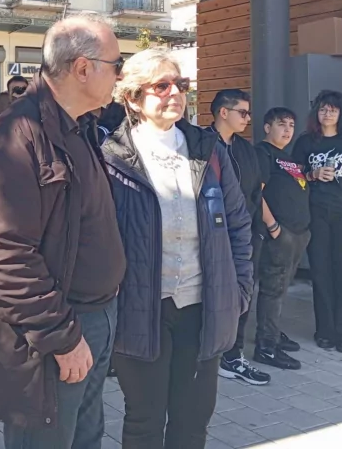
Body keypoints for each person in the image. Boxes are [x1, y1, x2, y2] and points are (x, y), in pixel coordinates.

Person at [0, 14, 126, 449]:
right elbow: (3, 258)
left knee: (85, 436)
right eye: (116, 64)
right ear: (83, 68)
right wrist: (62, 336)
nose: (120, 75)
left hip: (93, 316)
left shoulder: (76, 124)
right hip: (55, 329)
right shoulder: (18, 136)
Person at [103, 49, 253, 449]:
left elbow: (238, 224)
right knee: (145, 420)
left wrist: (239, 292)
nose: (175, 93)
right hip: (141, 309)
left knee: (193, 421)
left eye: (181, 85)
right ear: (133, 98)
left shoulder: (208, 149)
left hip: (203, 306)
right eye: (161, 85)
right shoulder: (112, 158)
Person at [292, 90, 342, 354]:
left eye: (333, 109)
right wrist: (312, 174)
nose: (327, 114)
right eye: (323, 109)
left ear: (341, 113)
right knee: (321, 271)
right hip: (316, 212)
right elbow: (293, 177)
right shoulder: (306, 142)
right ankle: (325, 331)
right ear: (316, 112)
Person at [208, 89, 271, 386]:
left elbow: (256, 190)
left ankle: (233, 357)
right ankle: (209, 354)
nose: (247, 118)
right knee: (210, 294)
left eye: (248, 113)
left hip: (244, 233)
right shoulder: (200, 143)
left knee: (243, 292)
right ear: (224, 112)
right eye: (242, 112)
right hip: (209, 235)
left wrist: (261, 228)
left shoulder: (246, 149)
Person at [253, 108, 311, 371]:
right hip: (279, 233)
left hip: (299, 233)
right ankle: (266, 346)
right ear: (267, 127)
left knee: (282, 286)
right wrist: (273, 226)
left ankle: (272, 332)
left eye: (291, 125)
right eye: (281, 124)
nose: (287, 130)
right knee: (272, 288)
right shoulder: (262, 153)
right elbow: (256, 193)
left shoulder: (287, 157)